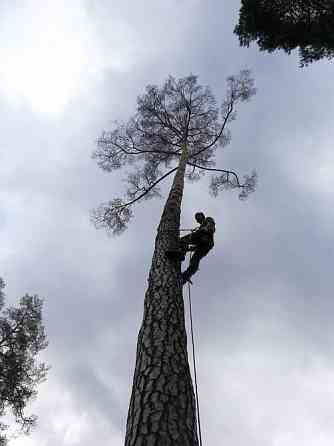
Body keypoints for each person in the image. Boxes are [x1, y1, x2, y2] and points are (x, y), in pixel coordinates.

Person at [179, 212, 215, 284]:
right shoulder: (202, 227)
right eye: (196, 219)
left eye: (198, 217)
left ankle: (181, 253)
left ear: (202, 216)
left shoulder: (208, 219)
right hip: (205, 245)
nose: (197, 220)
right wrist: (189, 249)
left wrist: (205, 228)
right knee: (195, 259)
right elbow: (198, 246)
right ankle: (185, 276)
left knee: (184, 240)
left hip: (205, 239)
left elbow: (211, 226)